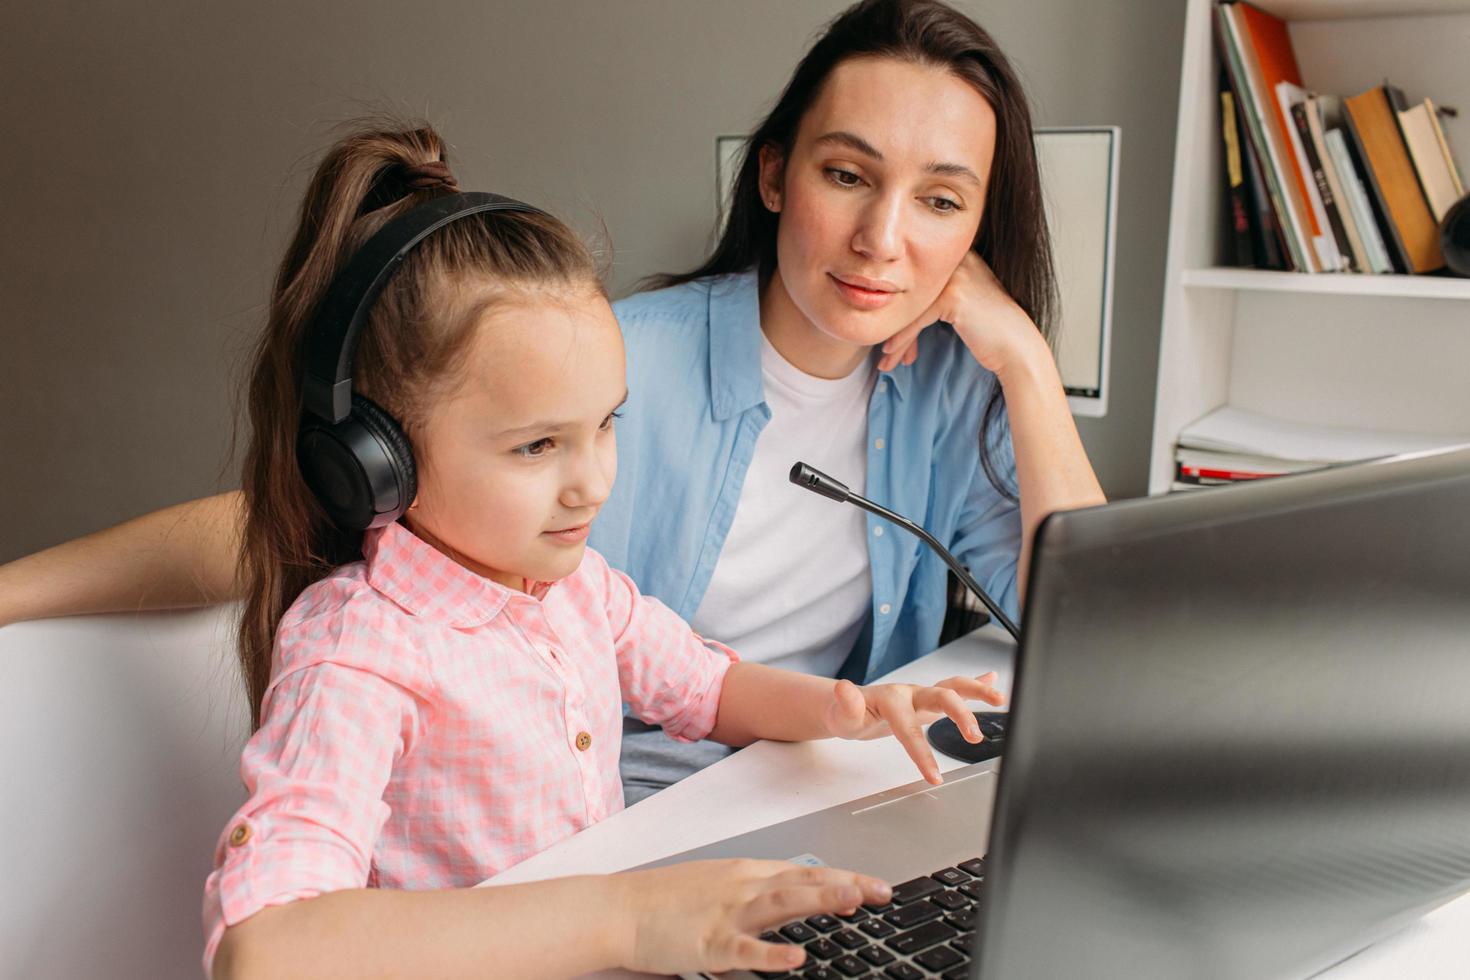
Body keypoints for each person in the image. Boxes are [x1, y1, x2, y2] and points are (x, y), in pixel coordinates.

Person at [0, 0, 1105, 804]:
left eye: (941, 200)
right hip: (613, 815)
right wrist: (14, 589)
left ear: (976, 229)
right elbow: (298, 520)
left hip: (820, 783)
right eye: (847, 175)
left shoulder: (952, 393)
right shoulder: (620, 364)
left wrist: (1022, 359)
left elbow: (1084, 631)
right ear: (775, 178)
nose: (883, 239)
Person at [200, 122, 1005, 979]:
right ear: (376, 461)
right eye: (537, 447)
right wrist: (620, 917)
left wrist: (845, 710)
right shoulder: (361, 650)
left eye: (605, 425)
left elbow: (708, 687)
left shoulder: (576, 585)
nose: (592, 484)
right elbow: (264, 947)